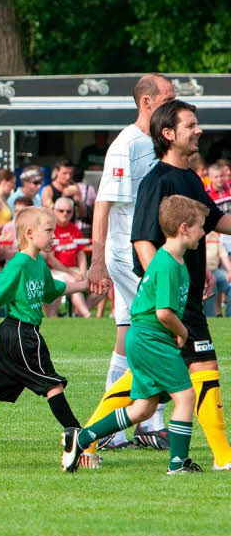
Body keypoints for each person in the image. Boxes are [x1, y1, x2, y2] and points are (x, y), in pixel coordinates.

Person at [84, 99, 231, 470]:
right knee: (202, 368)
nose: (199, 131)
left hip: (183, 297)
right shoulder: (156, 180)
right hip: (173, 301)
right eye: (190, 125)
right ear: (168, 134)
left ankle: (83, 437)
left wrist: (197, 272)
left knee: (145, 392)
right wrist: (168, 283)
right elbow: (142, 240)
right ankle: (221, 457)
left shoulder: (190, 179)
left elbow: (214, 221)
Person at [63, 196, 207, 474]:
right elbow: (164, 313)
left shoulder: (173, 260)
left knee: (143, 409)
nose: (203, 232)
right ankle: (178, 464)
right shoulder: (167, 264)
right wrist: (183, 331)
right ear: (184, 228)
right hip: (151, 339)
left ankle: (81, 437)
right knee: (186, 397)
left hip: (144, 338)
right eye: (201, 226)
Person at [0, 206, 87, 455]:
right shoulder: (19, 263)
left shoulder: (38, 261)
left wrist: (85, 285)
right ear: (30, 233)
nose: (54, 236)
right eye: (49, 230)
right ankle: (80, 438)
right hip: (22, 332)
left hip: (13, 334)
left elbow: (52, 289)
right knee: (52, 384)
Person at [86, 73, 175, 451]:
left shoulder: (154, 143)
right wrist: (97, 259)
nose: (175, 104)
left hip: (142, 250)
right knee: (155, 327)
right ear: (147, 102)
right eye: (169, 98)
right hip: (127, 252)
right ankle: (147, 422)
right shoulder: (127, 144)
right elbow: (104, 203)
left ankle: (113, 429)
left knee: (128, 335)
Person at [46, 197, 94, 317]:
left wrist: (83, 273)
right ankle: (87, 315)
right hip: (55, 271)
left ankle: (78, 313)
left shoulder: (74, 228)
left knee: (102, 281)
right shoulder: (49, 230)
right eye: (61, 211)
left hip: (73, 270)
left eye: (68, 211)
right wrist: (73, 274)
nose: (65, 214)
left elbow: (81, 253)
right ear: (54, 211)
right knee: (73, 281)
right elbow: (50, 258)